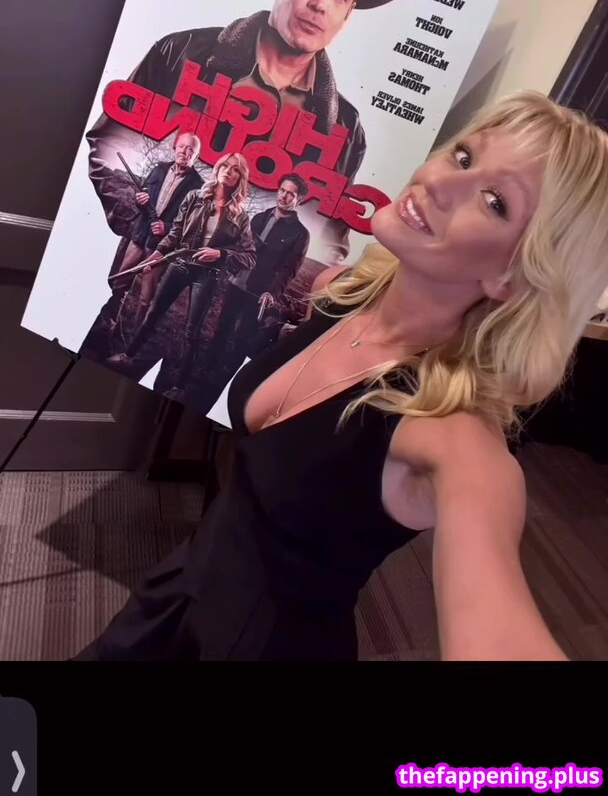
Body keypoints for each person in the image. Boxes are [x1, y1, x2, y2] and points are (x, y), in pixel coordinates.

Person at [75, 91, 608, 662]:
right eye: (464, 156)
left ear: (514, 274)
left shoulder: (452, 435)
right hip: (179, 589)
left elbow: (497, 629)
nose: (441, 183)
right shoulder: (338, 293)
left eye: (495, 201)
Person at [86, 0, 416, 263]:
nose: (320, 4)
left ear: (348, 13)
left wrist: (238, 275)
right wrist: (146, 232)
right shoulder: (181, 53)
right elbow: (108, 149)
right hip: (143, 263)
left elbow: (326, 238)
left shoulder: (346, 129)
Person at [107, 152, 255, 393]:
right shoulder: (195, 197)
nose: (229, 171)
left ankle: (179, 386)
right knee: (153, 312)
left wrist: (220, 254)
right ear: (218, 169)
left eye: (236, 169)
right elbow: (175, 233)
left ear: (240, 178)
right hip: (181, 263)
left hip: (208, 274)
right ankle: (128, 355)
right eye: (225, 166)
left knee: (191, 331)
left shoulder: (241, 216)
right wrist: (156, 256)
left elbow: (249, 257)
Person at [189, 173, 310, 412]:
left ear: (299, 200)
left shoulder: (300, 233)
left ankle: (224, 385)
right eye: (282, 191)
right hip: (238, 282)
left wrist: (272, 293)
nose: (284, 197)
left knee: (242, 338)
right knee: (221, 326)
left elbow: (289, 269)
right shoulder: (260, 217)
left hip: (260, 293)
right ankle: (203, 371)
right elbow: (241, 247)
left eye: (291, 194)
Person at [109, 133, 202, 324]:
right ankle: (110, 321)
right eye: (181, 146)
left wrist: (167, 227)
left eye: (190, 149)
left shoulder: (198, 186)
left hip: (161, 246)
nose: (184, 152)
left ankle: (135, 332)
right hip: (140, 236)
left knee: (146, 297)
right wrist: (140, 200)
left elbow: (192, 223)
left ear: (196, 155)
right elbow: (142, 195)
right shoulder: (159, 169)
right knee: (120, 281)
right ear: (175, 147)